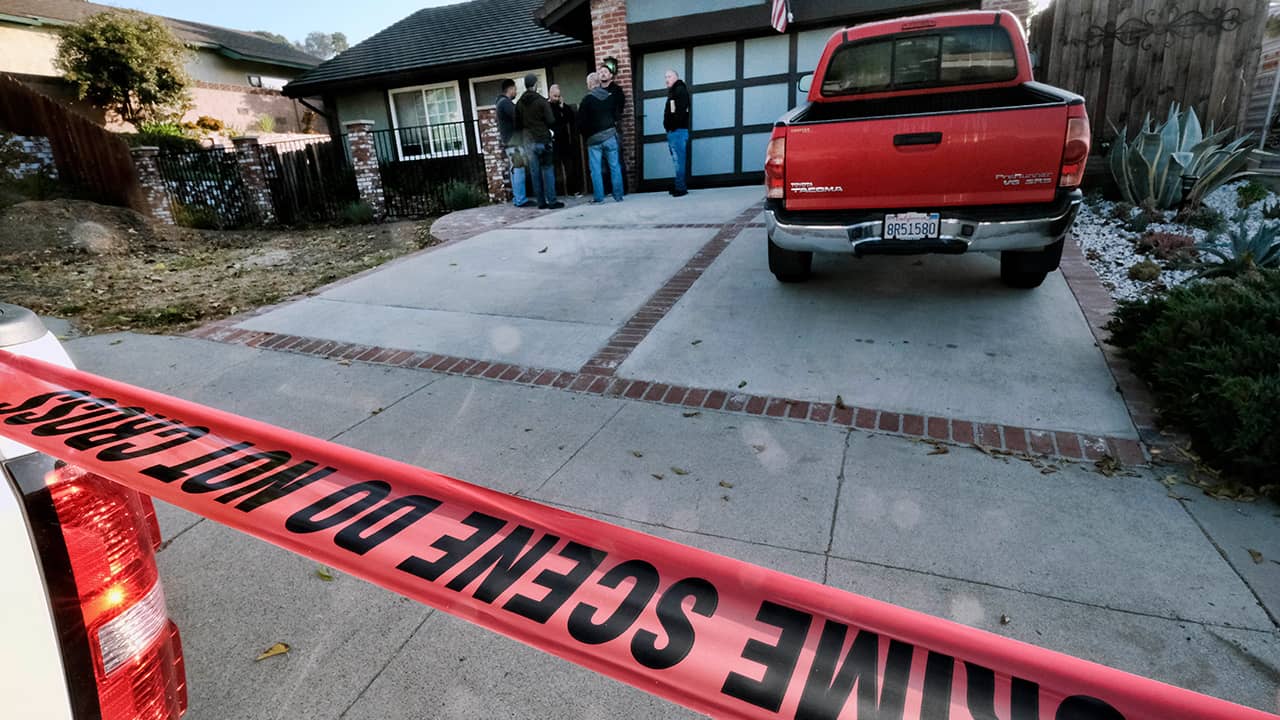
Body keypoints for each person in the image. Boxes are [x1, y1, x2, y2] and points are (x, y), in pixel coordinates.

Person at [516, 73, 563, 210]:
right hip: (543, 139)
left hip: (528, 141)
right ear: (535, 84)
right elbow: (551, 120)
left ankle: (541, 202)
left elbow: (517, 124)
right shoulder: (542, 101)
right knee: (547, 169)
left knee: (535, 172)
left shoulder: (519, 103)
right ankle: (552, 201)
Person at [579, 72, 623, 203]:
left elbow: (581, 123)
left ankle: (599, 197)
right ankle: (618, 195)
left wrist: (587, 136)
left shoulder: (586, 100)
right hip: (610, 136)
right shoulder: (610, 97)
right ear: (599, 83)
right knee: (615, 166)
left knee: (595, 170)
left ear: (590, 84)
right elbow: (616, 116)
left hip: (594, 140)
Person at [495, 79, 530, 207]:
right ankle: (521, 199)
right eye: (515, 89)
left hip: (509, 141)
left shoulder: (500, 103)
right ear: (509, 89)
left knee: (514, 170)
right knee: (519, 169)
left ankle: (518, 198)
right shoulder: (506, 103)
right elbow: (518, 117)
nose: (516, 91)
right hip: (514, 142)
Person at [597, 57, 627, 195]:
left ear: (610, 75)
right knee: (604, 161)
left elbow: (620, 107)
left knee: (617, 159)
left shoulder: (616, 90)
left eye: (605, 72)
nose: (603, 74)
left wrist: (614, 119)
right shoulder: (597, 91)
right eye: (600, 72)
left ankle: (622, 189)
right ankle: (608, 189)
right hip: (600, 131)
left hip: (613, 128)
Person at [548, 83, 580, 196]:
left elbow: (570, 118)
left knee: (569, 166)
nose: (557, 98)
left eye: (558, 96)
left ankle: (573, 190)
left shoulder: (562, 106)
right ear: (550, 94)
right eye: (555, 96)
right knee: (555, 168)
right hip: (553, 140)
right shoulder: (546, 106)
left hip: (564, 140)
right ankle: (558, 192)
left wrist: (562, 106)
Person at [663, 69, 690, 197]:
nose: (666, 79)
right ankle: (679, 185)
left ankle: (681, 188)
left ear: (676, 77)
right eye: (665, 77)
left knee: (679, 161)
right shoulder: (674, 91)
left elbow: (680, 111)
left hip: (678, 131)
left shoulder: (680, 91)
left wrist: (672, 126)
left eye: (669, 76)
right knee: (677, 161)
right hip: (675, 131)